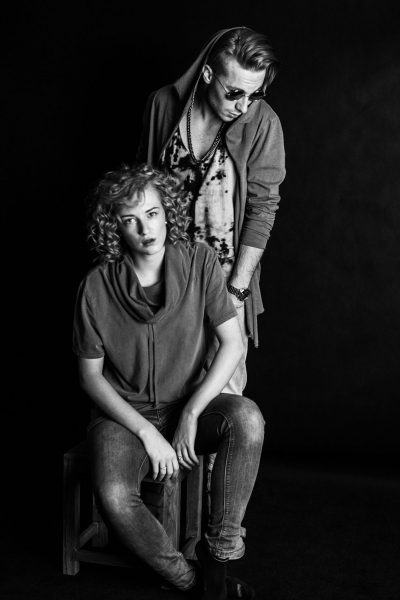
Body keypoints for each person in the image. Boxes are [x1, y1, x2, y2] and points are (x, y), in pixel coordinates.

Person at [73, 164, 265, 599]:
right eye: (130, 220)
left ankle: (218, 557)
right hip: (124, 416)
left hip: (187, 404)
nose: (146, 229)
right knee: (115, 495)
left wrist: (193, 413)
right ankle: (192, 581)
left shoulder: (199, 261)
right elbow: (89, 377)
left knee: (248, 419)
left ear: (167, 212)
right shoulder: (95, 287)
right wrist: (146, 432)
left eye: (152, 214)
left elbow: (233, 343)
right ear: (114, 226)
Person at [136, 26, 286, 395]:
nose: (244, 106)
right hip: (162, 282)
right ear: (207, 75)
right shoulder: (163, 105)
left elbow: (263, 210)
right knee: (155, 395)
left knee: (224, 402)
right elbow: (140, 186)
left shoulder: (263, 123)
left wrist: (236, 292)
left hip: (224, 285)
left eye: (255, 94)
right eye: (234, 93)